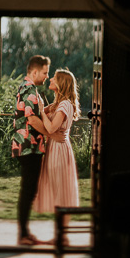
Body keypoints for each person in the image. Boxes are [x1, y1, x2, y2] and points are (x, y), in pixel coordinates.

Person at [11, 54, 51, 246]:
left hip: (28, 146)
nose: (46, 77)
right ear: (34, 71)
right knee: (28, 189)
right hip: (28, 146)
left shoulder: (27, 88)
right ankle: (23, 235)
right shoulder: (30, 91)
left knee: (28, 188)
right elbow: (32, 120)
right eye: (44, 73)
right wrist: (50, 134)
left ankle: (25, 232)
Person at [33, 69, 81, 219]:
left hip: (59, 150)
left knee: (61, 192)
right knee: (57, 191)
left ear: (61, 83)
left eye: (54, 78)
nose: (50, 79)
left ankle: (63, 234)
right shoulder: (57, 104)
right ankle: (60, 233)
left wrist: (41, 111)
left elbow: (51, 127)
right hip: (53, 147)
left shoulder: (65, 104)